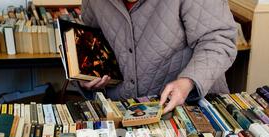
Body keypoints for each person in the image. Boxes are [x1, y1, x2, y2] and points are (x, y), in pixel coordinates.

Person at [78, 0, 238, 114]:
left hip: (192, 109)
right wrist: (86, 73)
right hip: (122, 111)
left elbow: (219, 40)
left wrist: (188, 81)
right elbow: (94, 40)